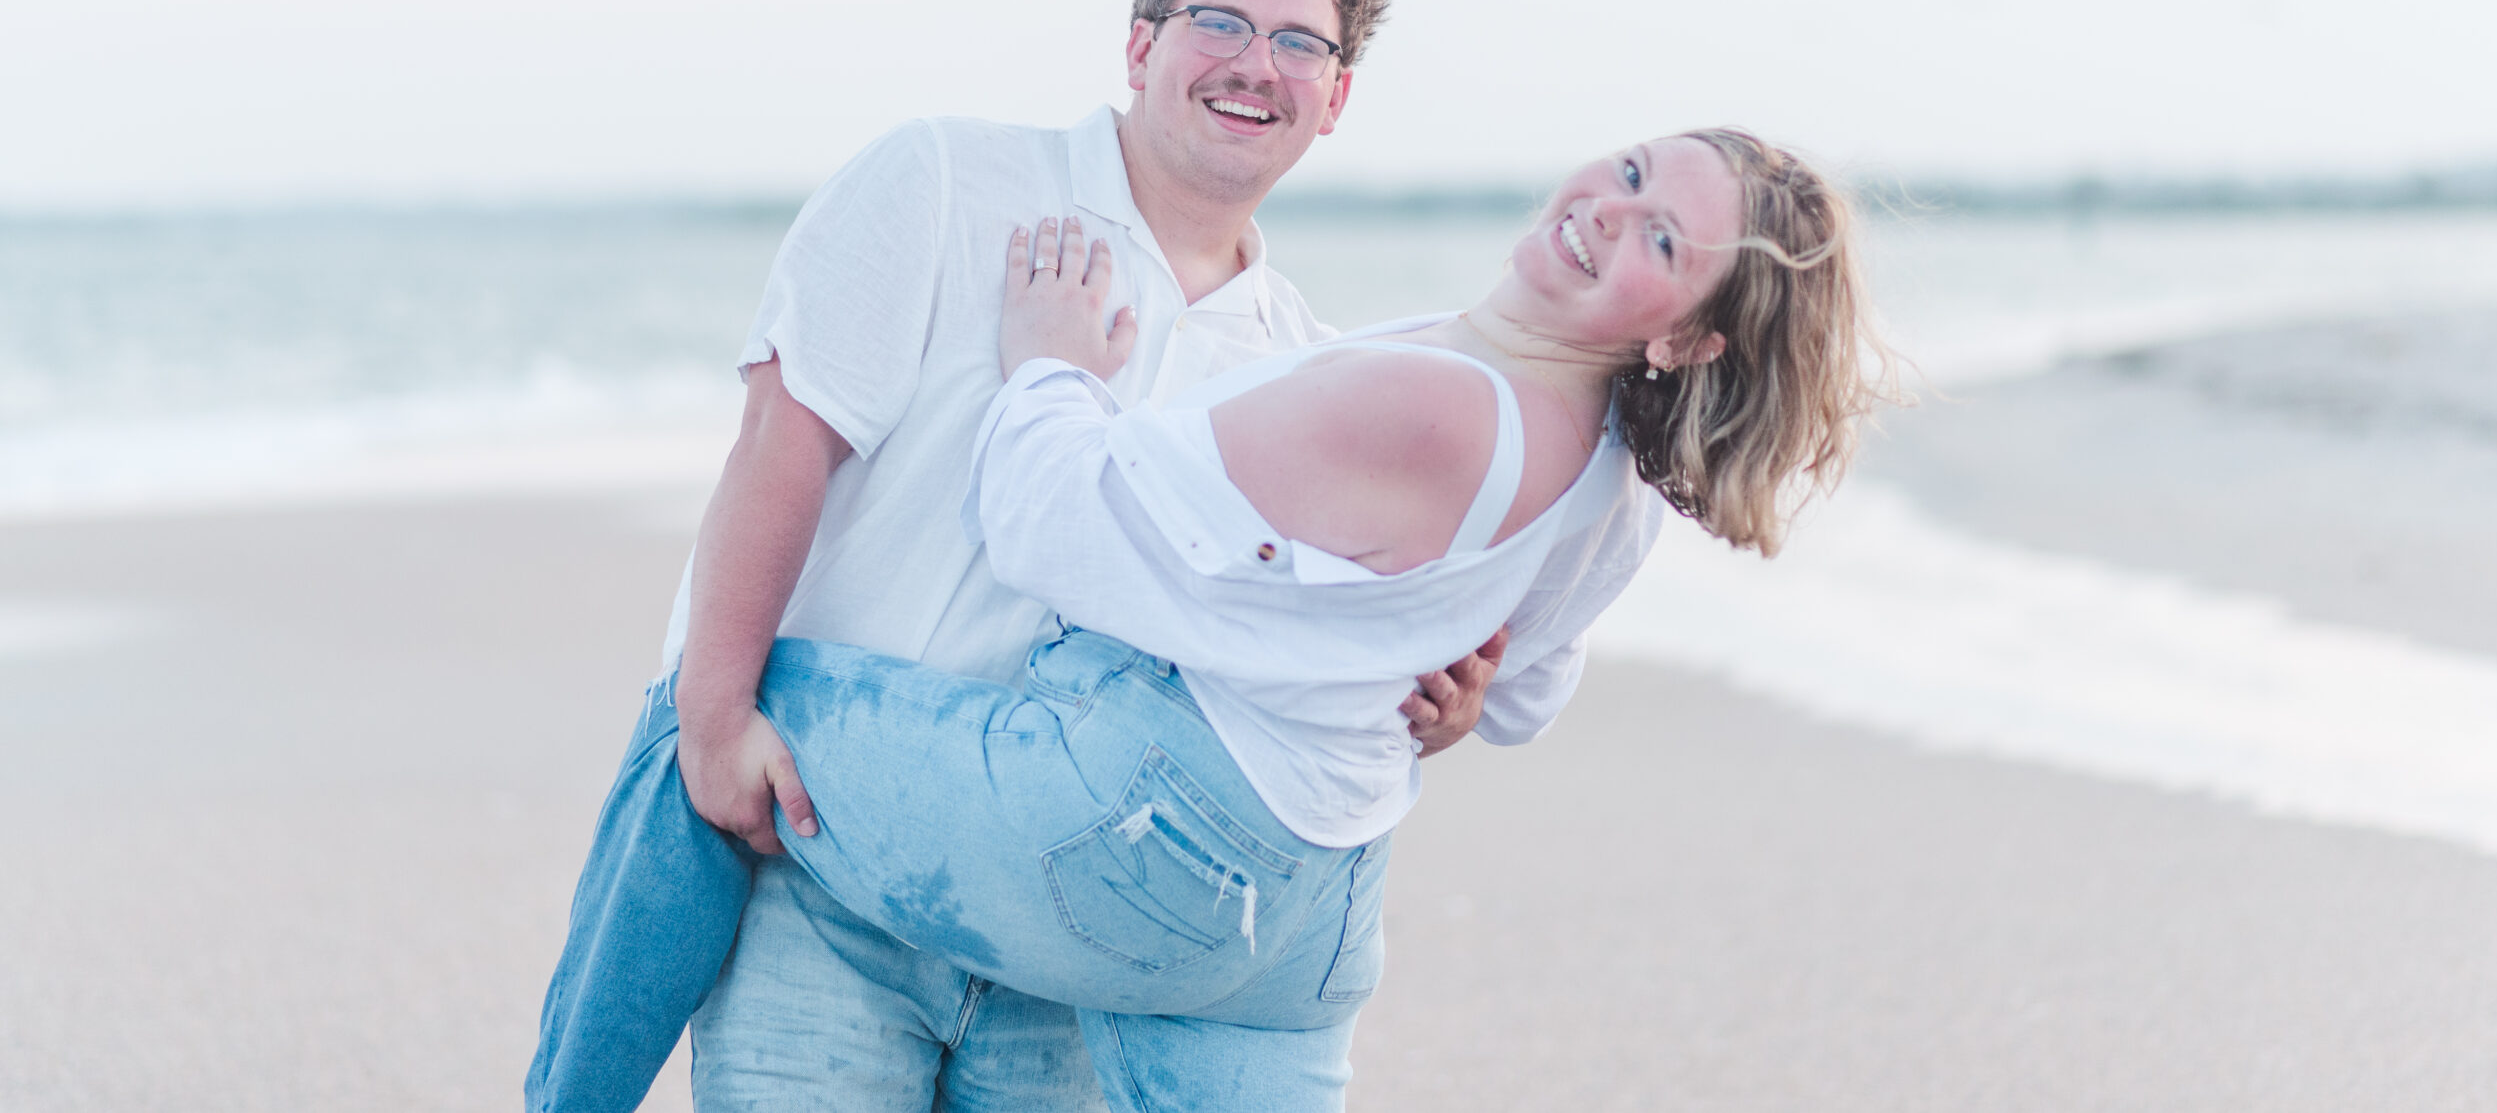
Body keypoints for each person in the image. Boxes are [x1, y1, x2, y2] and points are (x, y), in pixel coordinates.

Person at [528, 125, 1889, 1113]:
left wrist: (1051, 368)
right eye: (1639, 172)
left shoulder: (1430, 399)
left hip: (1158, 827)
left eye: (1663, 241)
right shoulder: (1619, 483)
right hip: (1315, 904)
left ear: (1692, 340)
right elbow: (1519, 694)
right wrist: (1450, 680)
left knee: (725, 699)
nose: (1610, 207)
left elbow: (1049, 527)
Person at [532, 0, 1506, 1113]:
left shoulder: (1302, 364)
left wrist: (1425, 697)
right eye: (1219, 19)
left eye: (1298, 41)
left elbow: (1276, 649)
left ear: (1337, 95)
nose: (1256, 64)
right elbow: (786, 438)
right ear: (1143, 47)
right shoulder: (949, 176)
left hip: (1075, 927)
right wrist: (714, 711)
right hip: (827, 846)